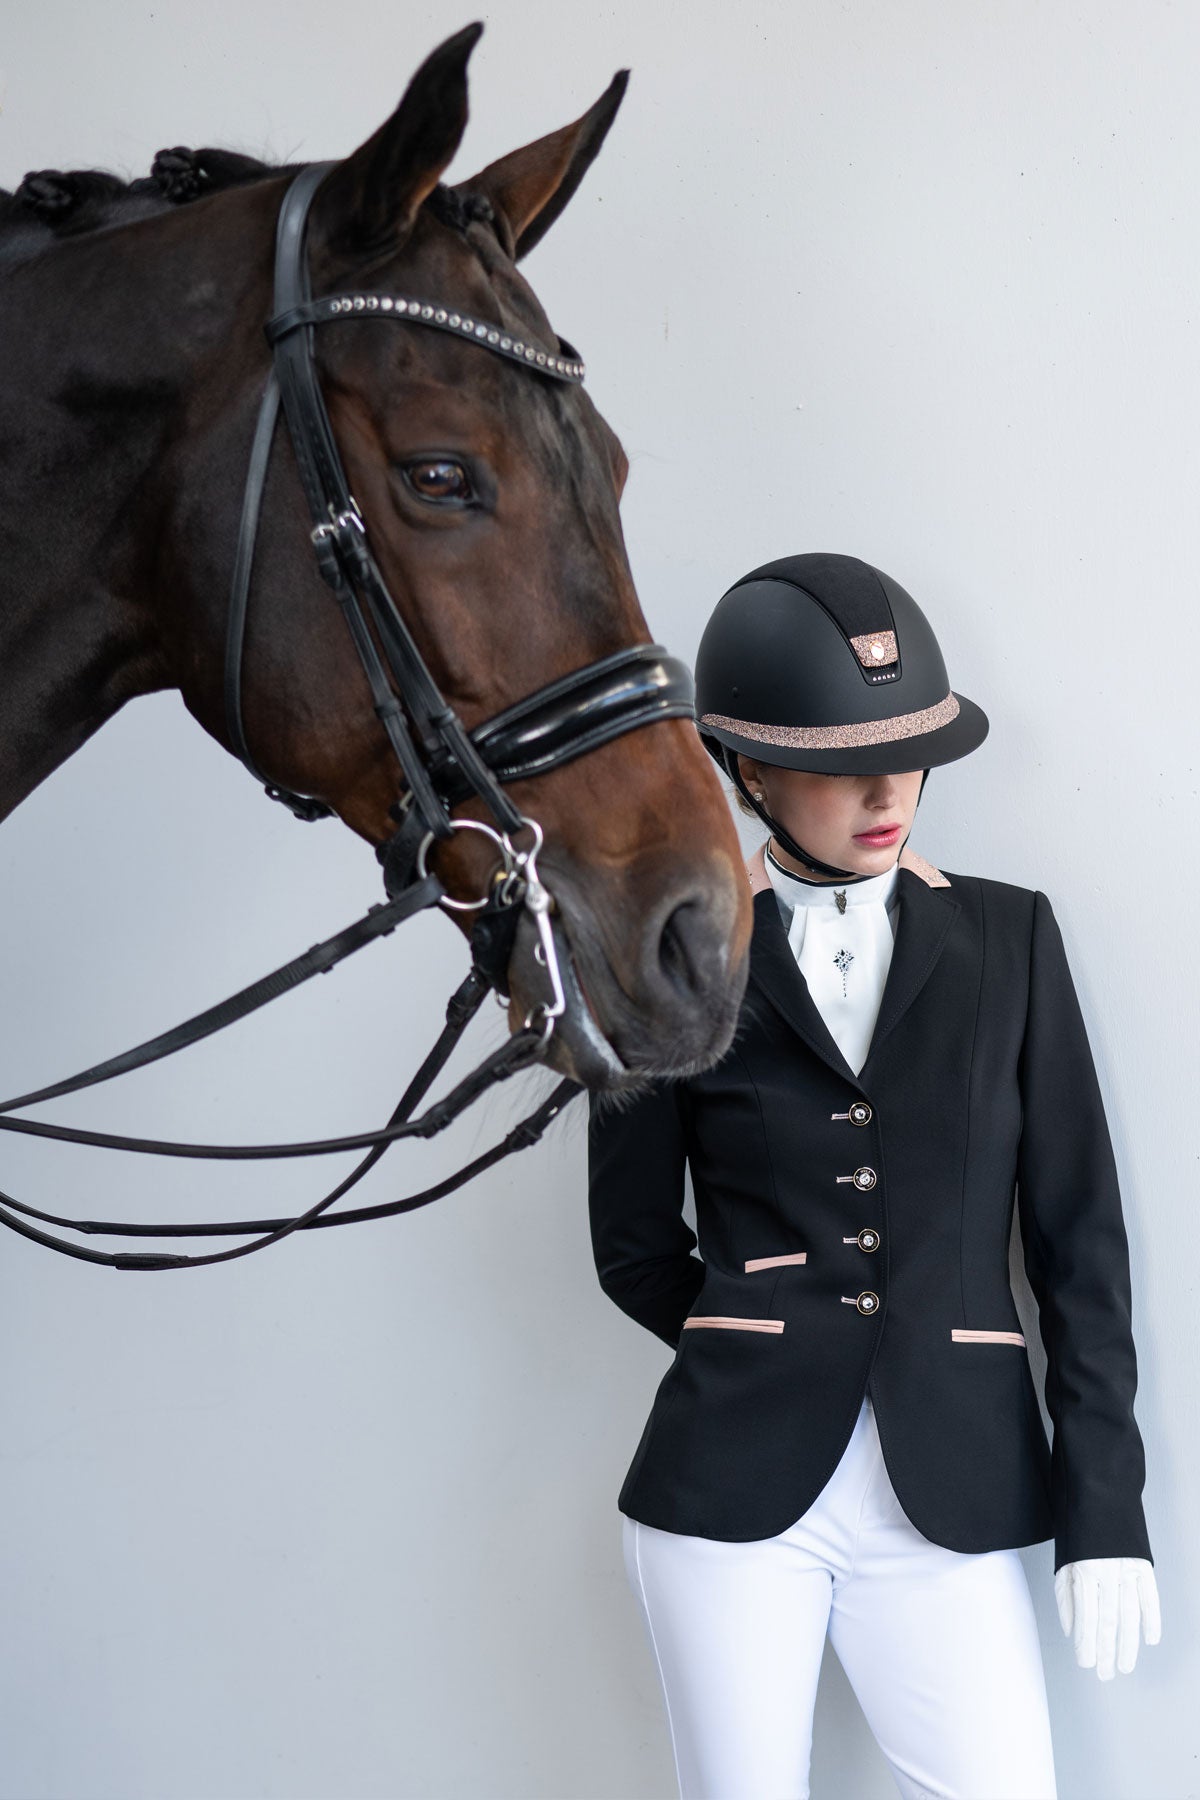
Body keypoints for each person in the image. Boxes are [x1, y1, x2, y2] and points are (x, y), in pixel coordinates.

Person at [587, 553, 1160, 1800]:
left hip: (951, 1484)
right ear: (751, 770)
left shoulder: (1013, 939)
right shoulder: (666, 958)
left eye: (907, 760)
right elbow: (631, 1242)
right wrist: (761, 1336)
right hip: (726, 1497)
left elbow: (1080, 1247)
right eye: (844, 767)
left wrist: (1104, 1510)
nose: (888, 793)